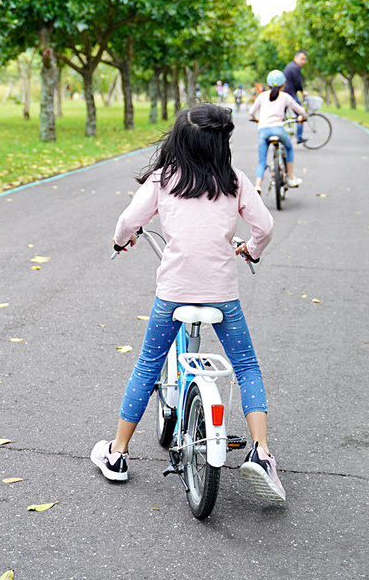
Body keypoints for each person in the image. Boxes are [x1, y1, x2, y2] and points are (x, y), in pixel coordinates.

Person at [94, 103, 286, 502]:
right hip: (222, 297)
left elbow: (129, 221)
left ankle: (117, 454)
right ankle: (262, 453)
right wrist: (250, 249)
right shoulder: (234, 181)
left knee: (148, 366)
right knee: (246, 366)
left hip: (174, 294)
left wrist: (121, 241)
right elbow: (264, 226)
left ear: (179, 140)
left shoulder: (164, 180)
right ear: (222, 143)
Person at [248, 69, 307, 195]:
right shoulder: (285, 97)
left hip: (263, 131)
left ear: (267, 84)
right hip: (278, 130)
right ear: (284, 84)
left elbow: (251, 112)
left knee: (262, 161)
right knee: (289, 148)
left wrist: (256, 119)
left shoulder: (262, 96)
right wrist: (303, 116)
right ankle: (290, 177)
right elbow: (300, 110)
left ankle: (257, 186)